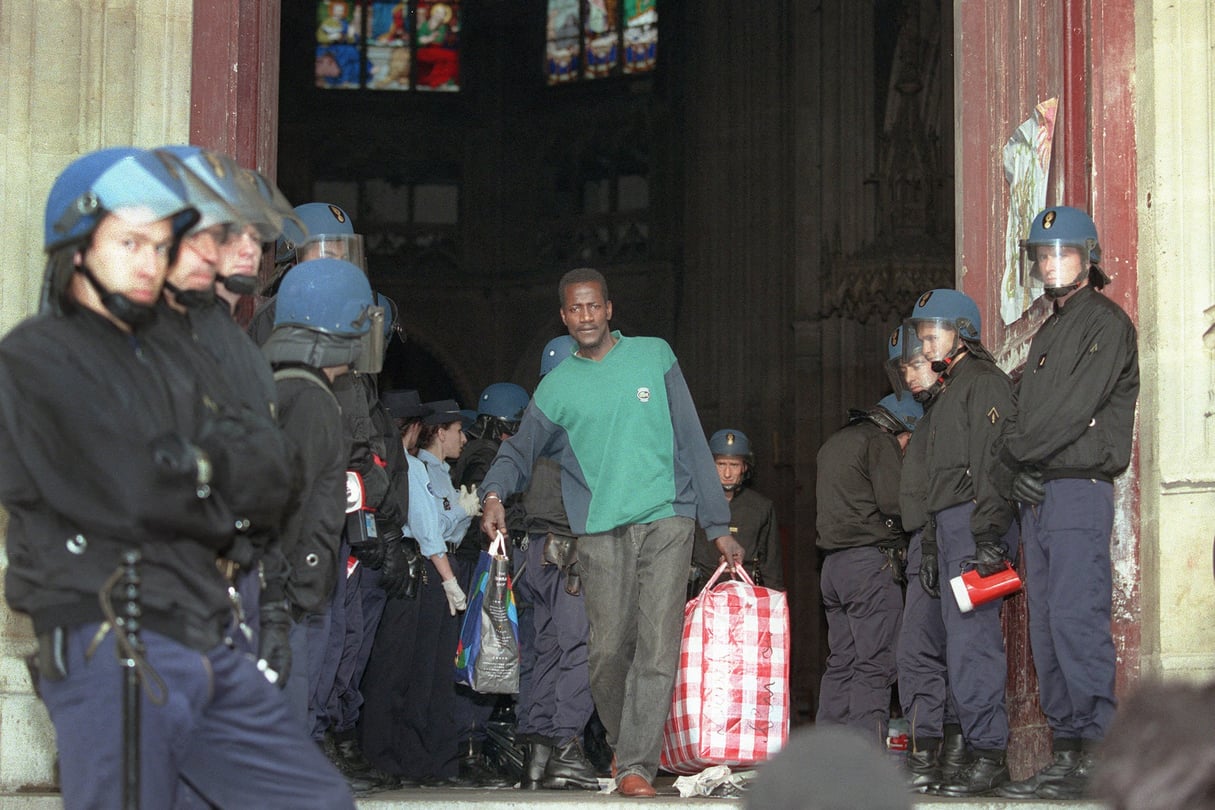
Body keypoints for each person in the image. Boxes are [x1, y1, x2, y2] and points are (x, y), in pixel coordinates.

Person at [0, 146, 353, 809]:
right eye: (131, 241)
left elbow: (271, 478)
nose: (150, 260)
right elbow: (128, 490)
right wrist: (210, 468)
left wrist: (194, 466)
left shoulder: (178, 356)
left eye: (160, 243)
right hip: (110, 638)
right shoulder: (34, 356)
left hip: (200, 632)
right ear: (77, 250)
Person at [479, 267, 745, 798]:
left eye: (593, 306)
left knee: (656, 644)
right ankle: (626, 739)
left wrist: (717, 525)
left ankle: (637, 765)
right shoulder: (557, 387)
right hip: (599, 532)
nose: (585, 316)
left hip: (668, 517)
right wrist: (492, 493)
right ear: (564, 316)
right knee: (604, 650)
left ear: (609, 308)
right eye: (575, 309)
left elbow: (693, 439)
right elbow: (519, 448)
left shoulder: (654, 355)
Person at [990, 206, 1139, 800]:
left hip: (1079, 489)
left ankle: (1099, 749)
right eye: (1043, 256)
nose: (1052, 264)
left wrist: (1017, 457)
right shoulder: (1050, 329)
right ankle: (1070, 746)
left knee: (1077, 618)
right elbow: (1021, 416)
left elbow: (1069, 411)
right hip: (1044, 493)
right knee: (1048, 625)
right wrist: (1019, 469)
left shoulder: (1105, 321)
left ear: (1089, 259)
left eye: (1064, 254)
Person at [903, 288, 1018, 797]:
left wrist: (991, 533)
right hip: (948, 529)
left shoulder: (985, 384)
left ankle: (989, 754)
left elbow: (994, 464)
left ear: (963, 333)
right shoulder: (948, 393)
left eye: (933, 335)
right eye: (923, 337)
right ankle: (969, 748)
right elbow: (936, 482)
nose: (925, 347)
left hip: (974, 527)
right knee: (953, 645)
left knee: (974, 645)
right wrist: (930, 543)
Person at [514, 335, 598, 791]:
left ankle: (537, 756)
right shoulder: (577, 419)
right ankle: (568, 746)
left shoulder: (535, 418)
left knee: (545, 651)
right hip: (569, 550)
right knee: (578, 649)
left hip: (535, 550)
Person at [815, 394, 921, 743]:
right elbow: (895, 503)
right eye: (908, 441)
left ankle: (828, 757)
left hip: (832, 568)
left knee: (841, 661)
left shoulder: (833, 442)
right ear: (899, 426)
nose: (905, 449)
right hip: (868, 566)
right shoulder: (880, 441)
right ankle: (863, 759)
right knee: (875, 664)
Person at [888, 324, 966, 790]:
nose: (911, 377)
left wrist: (933, 541)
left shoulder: (948, 411)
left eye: (916, 365)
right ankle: (928, 752)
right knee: (920, 649)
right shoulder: (928, 417)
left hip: (944, 537)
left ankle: (945, 752)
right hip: (925, 539)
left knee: (944, 647)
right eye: (905, 369)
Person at [689, 428, 782, 596]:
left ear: (745, 467)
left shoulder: (761, 507)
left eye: (734, 465)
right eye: (721, 464)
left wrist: (775, 601)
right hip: (701, 594)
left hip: (745, 596)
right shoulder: (694, 503)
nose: (727, 473)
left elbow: (770, 567)